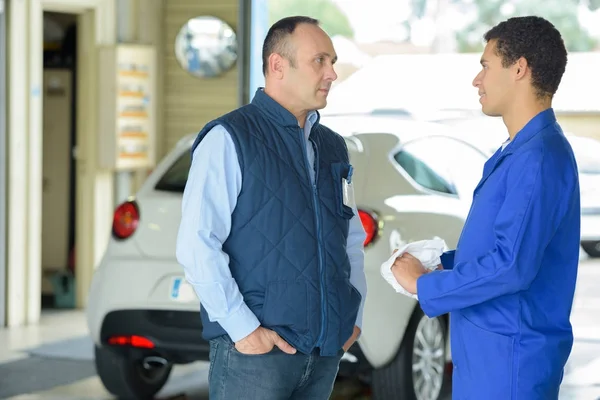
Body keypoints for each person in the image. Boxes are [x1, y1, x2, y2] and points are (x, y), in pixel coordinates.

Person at [175, 15, 367, 400]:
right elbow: (197, 245)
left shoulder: (332, 146)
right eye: (320, 61)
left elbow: (350, 240)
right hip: (255, 357)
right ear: (278, 65)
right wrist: (243, 329)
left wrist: (352, 320)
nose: (332, 73)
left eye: (332, 62)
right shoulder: (229, 138)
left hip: (323, 352)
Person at [390, 16, 580, 399]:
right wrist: (446, 263)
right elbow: (509, 248)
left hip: (509, 363)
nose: (477, 80)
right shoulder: (519, 152)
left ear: (519, 69)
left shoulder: (538, 158)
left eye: (485, 66)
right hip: (491, 357)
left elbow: (511, 265)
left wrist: (422, 283)